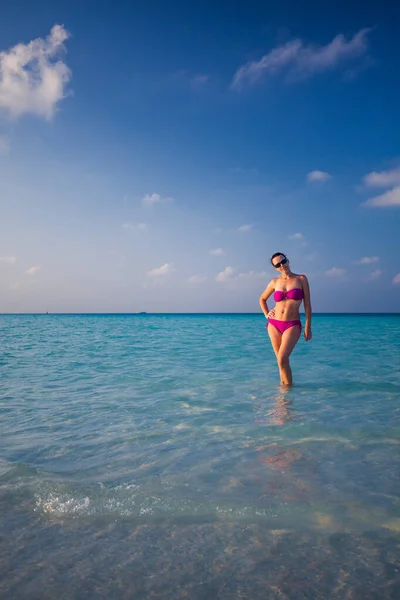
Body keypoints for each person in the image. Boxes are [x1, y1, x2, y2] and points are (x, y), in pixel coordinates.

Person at [259, 252, 312, 386]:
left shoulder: (301, 279)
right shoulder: (274, 282)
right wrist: (266, 314)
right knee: (280, 360)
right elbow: (262, 299)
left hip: (292, 324)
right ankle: (284, 394)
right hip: (274, 324)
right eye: (278, 264)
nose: (282, 266)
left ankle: (287, 395)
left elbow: (307, 304)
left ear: (288, 260)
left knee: (282, 358)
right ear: (275, 268)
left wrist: (308, 326)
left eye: (283, 261)